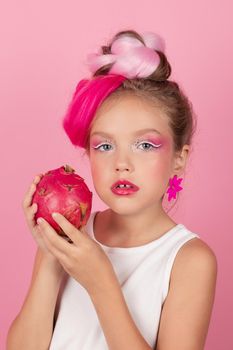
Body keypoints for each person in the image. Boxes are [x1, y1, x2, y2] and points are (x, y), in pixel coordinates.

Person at [7, 29, 217, 350]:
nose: (122, 162)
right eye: (104, 145)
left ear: (179, 158)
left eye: (145, 144)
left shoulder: (190, 260)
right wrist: (51, 256)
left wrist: (101, 282)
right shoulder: (71, 234)